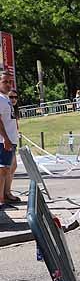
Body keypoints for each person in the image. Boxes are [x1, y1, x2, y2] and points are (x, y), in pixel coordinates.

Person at [0, 72, 20, 205]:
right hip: (3, 141)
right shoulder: (0, 99)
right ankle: (1, 199)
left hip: (11, 140)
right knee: (2, 170)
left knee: (8, 169)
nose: (8, 84)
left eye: (10, 82)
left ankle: (5, 195)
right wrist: (6, 139)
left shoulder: (6, 98)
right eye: (5, 82)